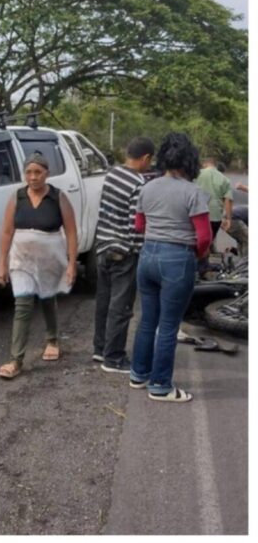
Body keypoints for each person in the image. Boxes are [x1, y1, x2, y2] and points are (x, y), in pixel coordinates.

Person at [129, 132, 211, 403]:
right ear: (191, 160)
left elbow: (140, 226)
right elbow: (203, 237)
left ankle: (139, 375)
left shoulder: (147, 187)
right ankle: (161, 386)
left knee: (147, 321)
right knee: (168, 326)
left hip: (148, 256)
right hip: (177, 259)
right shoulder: (193, 192)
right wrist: (197, 256)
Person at [0, 153, 78, 379]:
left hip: (50, 258)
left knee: (47, 298)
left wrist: (72, 264)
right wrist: (2, 263)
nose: (33, 177)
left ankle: (52, 339)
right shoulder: (17, 197)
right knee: (23, 304)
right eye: (29, 172)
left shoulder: (58, 197)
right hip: (22, 259)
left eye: (37, 172)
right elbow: (6, 231)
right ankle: (16, 360)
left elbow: (71, 232)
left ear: (46, 173)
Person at [92, 137, 155, 373]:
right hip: (123, 251)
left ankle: (99, 349)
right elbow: (135, 225)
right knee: (121, 305)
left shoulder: (112, 174)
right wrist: (140, 250)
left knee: (103, 301)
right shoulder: (139, 183)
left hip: (103, 246)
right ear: (146, 158)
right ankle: (114, 357)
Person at [195, 156, 233, 247]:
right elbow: (228, 200)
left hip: (198, 215)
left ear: (204, 164)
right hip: (215, 217)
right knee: (208, 242)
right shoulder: (224, 179)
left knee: (197, 243)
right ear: (215, 166)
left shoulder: (196, 174)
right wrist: (228, 219)